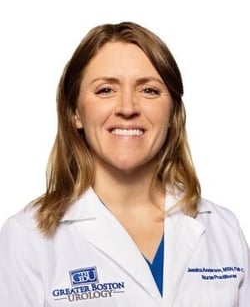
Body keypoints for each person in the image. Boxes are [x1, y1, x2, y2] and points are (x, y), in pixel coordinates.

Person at [0, 21, 249, 307]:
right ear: (75, 113)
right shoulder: (28, 239)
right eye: (106, 90)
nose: (128, 108)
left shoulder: (223, 230)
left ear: (172, 113)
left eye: (150, 91)